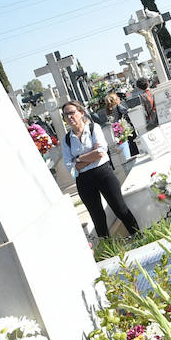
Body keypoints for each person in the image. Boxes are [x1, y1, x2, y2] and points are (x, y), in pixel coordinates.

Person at [59, 99, 140, 239]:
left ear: (81, 112)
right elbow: (69, 166)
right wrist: (89, 156)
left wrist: (77, 159)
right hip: (83, 180)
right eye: (66, 115)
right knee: (97, 217)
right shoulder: (66, 139)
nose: (69, 117)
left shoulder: (93, 128)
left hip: (103, 173)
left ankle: (137, 236)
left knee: (119, 208)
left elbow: (101, 152)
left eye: (72, 113)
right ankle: (108, 247)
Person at [98, 91, 139, 157]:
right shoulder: (118, 106)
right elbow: (126, 113)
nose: (119, 98)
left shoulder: (108, 109)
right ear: (116, 99)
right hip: (126, 128)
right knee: (133, 143)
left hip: (118, 130)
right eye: (118, 97)